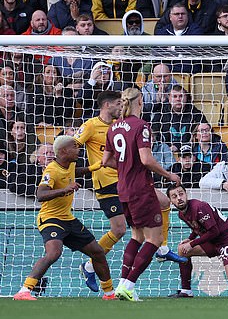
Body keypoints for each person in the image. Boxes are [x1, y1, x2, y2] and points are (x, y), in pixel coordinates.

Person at [102, 87, 181, 301]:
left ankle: (122, 285)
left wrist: (125, 166)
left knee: (137, 236)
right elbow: (146, 159)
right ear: (140, 103)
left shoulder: (113, 127)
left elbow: (105, 161)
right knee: (155, 239)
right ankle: (129, 284)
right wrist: (169, 175)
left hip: (123, 189)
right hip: (141, 189)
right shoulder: (142, 126)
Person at [13, 135, 116, 300]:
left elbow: (74, 172)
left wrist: (94, 167)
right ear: (63, 151)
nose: (78, 149)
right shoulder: (51, 170)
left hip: (68, 219)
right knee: (53, 253)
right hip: (50, 219)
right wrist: (64, 189)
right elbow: (41, 194)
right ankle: (24, 291)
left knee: (97, 252)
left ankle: (110, 293)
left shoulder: (70, 164)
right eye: (75, 147)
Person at [72, 92, 127, 292]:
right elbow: (71, 146)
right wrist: (76, 172)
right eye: (118, 104)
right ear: (106, 105)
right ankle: (89, 266)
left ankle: (161, 246)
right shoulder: (90, 126)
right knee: (120, 229)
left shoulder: (120, 125)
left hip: (126, 181)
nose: (121, 107)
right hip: (105, 183)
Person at [152, 84, 208, 151]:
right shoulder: (161, 113)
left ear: (186, 98)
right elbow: (154, 134)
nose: (178, 99)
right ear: (169, 98)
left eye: (181, 96)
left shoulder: (196, 114)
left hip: (190, 152)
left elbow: (205, 133)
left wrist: (178, 146)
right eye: (175, 96)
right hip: (164, 152)